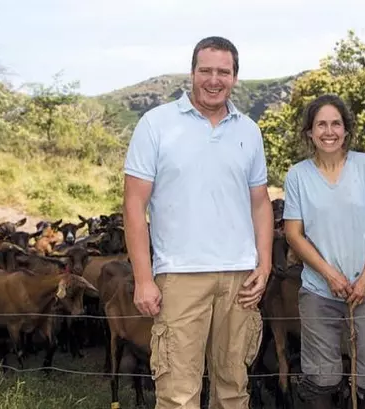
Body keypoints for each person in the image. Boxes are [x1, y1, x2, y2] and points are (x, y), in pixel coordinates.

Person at [122, 36, 273, 409]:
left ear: (235, 77)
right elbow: (133, 205)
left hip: (240, 278)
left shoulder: (249, 131)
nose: (214, 79)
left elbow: (260, 202)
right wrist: (143, 278)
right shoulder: (156, 124)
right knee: (177, 394)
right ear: (192, 73)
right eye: (206, 70)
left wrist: (265, 263)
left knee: (234, 390)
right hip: (180, 277)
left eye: (223, 72)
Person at [282, 94, 365, 409]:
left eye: (335, 124)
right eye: (321, 124)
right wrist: (329, 274)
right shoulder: (298, 176)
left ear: (346, 130)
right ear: (309, 132)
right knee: (321, 378)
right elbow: (293, 232)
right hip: (319, 291)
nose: (328, 131)